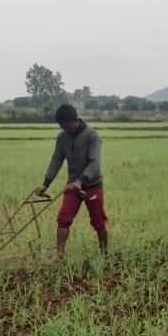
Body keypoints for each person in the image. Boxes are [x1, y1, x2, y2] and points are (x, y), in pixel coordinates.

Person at [35, 104, 108, 256]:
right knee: (63, 219)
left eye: (68, 127)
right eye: (63, 128)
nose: (67, 130)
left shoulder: (92, 136)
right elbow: (56, 160)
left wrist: (80, 181)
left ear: (76, 120)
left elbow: (94, 163)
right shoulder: (62, 137)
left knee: (98, 222)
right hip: (72, 186)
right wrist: (45, 184)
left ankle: (104, 254)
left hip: (92, 185)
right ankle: (59, 255)